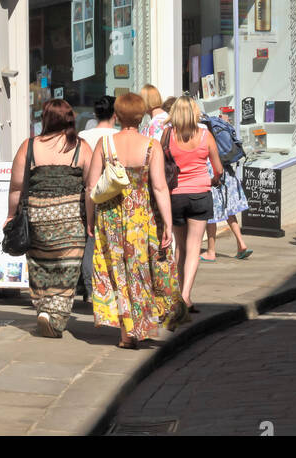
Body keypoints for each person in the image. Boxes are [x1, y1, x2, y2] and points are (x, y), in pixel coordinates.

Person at [85, 91, 181, 348]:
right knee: (140, 272)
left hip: (110, 218)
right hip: (142, 218)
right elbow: (160, 188)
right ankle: (141, 326)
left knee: (117, 272)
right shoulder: (151, 146)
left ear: (117, 115)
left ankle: (126, 332)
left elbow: (91, 187)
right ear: (141, 116)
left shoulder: (104, 145)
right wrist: (168, 224)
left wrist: (90, 219)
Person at [5, 98, 91, 338]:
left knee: (41, 264)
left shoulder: (29, 146)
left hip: (37, 216)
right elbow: (92, 186)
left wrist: (11, 216)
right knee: (67, 268)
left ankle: (44, 309)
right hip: (71, 217)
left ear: (45, 119)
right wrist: (92, 220)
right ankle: (54, 318)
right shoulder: (81, 147)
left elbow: (15, 188)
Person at [164, 96, 223, 313]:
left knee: (180, 246)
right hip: (200, 194)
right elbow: (218, 168)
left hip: (175, 195)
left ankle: (178, 293)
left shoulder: (167, 135)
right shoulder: (205, 136)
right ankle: (186, 295)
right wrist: (214, 179)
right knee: (194, 246)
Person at [78, 95, 118, 300]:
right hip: (112, 195)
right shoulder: (117, 136)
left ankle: (88, 288)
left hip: (87, 193)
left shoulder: (83, 135)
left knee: (89, 242)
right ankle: (106, 286)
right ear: (115, 114)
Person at [200, 109, 251, 261]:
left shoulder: (201, 130)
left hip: (213, 173)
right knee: (229, 210)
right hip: (226, 171)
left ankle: (210, 251)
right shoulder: (212, 123)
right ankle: (241, 243)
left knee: (211, 215)